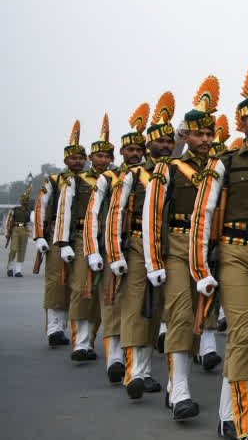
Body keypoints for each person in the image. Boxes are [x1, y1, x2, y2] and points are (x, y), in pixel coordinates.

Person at [191, 54, 248, 440]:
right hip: (233, 254)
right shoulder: (223, 162)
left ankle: (227, 416)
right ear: (243, 123)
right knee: (242, 332)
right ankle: (247, 422)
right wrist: (200, 270)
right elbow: (202, 216)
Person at [143, 76, 222, 421]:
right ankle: (180, 392)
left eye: (209, 134)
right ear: (185, 137)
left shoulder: (221, 169)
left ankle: (178, 381)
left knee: (198, 317)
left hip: (208, 250)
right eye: (198, 134)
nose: (205, 140)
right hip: (177, 246)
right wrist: (153, 260)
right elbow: (151, 217)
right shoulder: (168, 168)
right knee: (178, 313)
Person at [108, 96, 170, 399]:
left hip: (163, 245)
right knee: (134, 306)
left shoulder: (169, 171)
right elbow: (115, 213)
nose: (167, 145)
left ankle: (144, 369)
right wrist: (113, 253)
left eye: (171, 141)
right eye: (161, 141)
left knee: (153, 309)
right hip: (136, 243)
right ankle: (134, 372)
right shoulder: (133, 174)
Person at [52, 117, 112, 362]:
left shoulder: (116, 179)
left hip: (107, 237)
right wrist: (63, 243)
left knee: (102, 291)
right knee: (80, 288)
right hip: (80, 237)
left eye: (107, 156)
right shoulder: (77, 180)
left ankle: (91, 339)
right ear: (91, 158)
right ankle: (80, 343)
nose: (103, 160)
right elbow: (64, 211)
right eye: (98, 156)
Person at [82, 113, 130, 381]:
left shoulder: (145, 175)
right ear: (121, 153)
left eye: (139, 149)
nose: (134, 154)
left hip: (135, 247)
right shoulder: (108, 179)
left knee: (132, 304)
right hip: (107, 245)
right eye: (129, 150)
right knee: (110, 299)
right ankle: (114, 356)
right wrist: (92, 250)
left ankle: (132, 355)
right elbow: (92, 215)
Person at [32, 121, 85, 348]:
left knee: (77, 282)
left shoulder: (89, 181)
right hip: (55, 235)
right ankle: (54, 327)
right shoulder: (53, 181)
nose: (78, 162)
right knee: (56, 282)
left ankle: (69, 329)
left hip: (80, 235)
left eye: (81, 158)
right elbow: (40, 208)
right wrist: (39, 237)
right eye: (73, 158)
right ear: (66, 161)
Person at [7, 187, 32, 277]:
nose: (25, 202)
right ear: (21, 201)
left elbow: (27, 222)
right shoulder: (15, 209)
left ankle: (18, 270)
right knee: (13, 249)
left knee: (22, 250)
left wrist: (28, 231)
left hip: (23, 230)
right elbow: (9, 221)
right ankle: (10, 267)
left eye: (26, 200)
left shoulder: (28, 211)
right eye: (24, 200)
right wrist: (7, 232)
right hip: (15, 229)